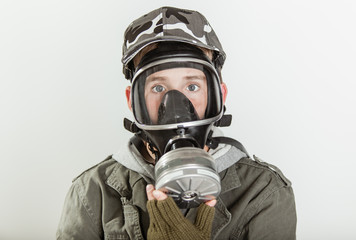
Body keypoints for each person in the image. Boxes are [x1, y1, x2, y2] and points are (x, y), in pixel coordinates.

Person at [57, 6, 297, 240]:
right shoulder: (92, 192)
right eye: (158, 87)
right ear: (133, 101)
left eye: (192, 86)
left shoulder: (263, 191)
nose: (174, 106)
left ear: (218, 96)